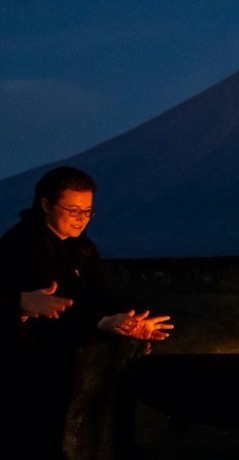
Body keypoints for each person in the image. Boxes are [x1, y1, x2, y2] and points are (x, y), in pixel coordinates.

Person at [0, 166, 174, 460]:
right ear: (45, 205)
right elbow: (55, 312)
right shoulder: (22, 245)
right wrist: (102, 322)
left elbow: (101, 294)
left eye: (88, 212)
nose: (81, 219)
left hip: (79, 371)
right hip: (33, 374)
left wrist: (128, 321)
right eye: (73, 210)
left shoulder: (82, 247)